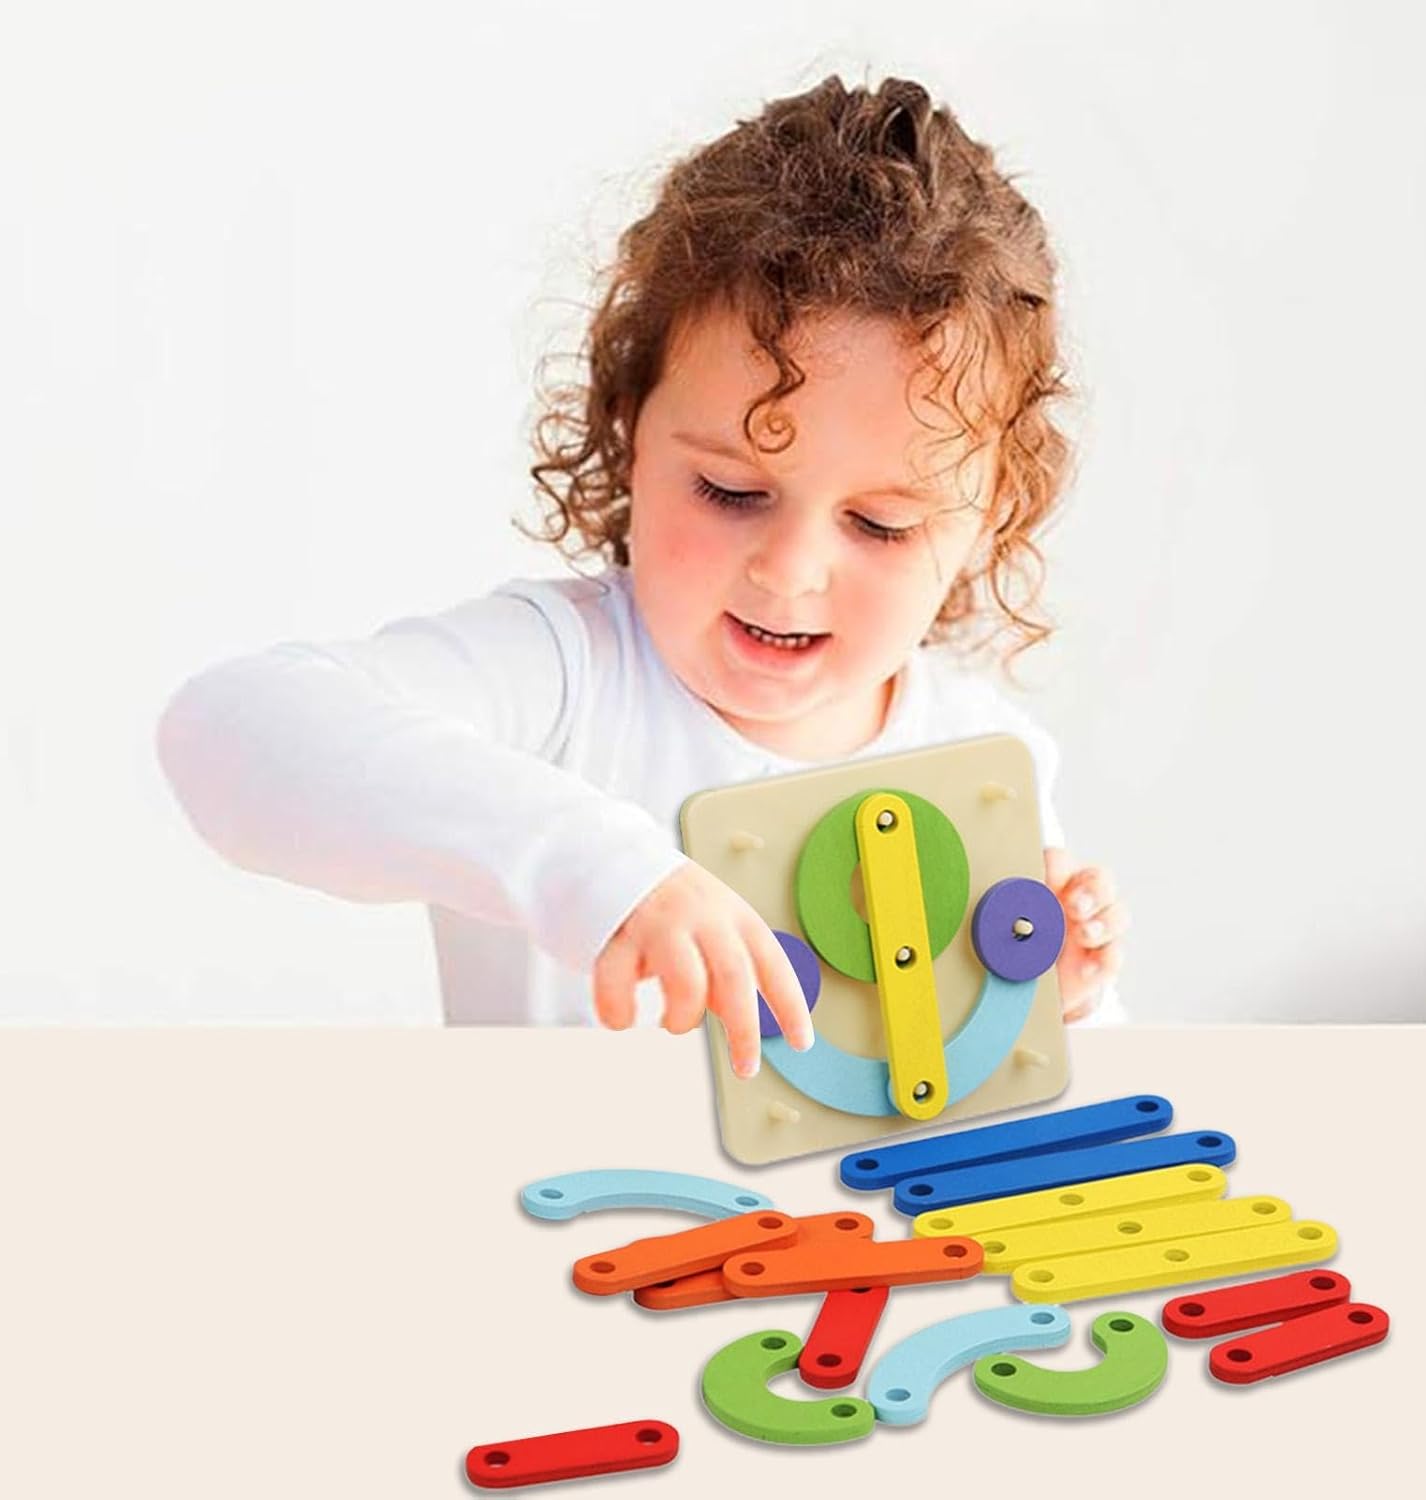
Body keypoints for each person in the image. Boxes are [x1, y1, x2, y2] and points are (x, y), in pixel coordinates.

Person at [157, 73, 1130, 1077]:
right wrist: (599, 870)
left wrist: (1057, 1005)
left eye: (881, 525)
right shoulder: (566, 679)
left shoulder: (984, 758)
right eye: (729, 491)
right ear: (630, 431)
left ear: (989, 521)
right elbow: (227, 726)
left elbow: (1039, 1100)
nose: (790, 572)